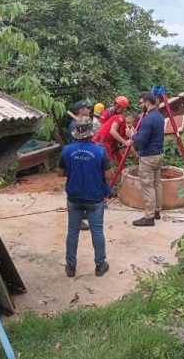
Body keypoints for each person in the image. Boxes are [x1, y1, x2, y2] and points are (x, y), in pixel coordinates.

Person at [57, 117, 113, 277]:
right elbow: (109, 175)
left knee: (73, 231)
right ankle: (100, 265)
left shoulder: (67, 150)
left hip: (74, 197)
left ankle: (70, 266)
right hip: (94, 198)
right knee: (97, 231)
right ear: (91, 133)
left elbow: (60, 173)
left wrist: (75, 170)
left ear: (77, 133)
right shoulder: (100, 151)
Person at [127, 92, 165, 227]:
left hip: (148, 157)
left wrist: (131, 135)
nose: (140, 105)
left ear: (147, 103)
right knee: (156, 184)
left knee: (148, 186)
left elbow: (142, 141)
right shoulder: (159, 117)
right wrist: (137, 134)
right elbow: (150, 136)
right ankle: (157, 211)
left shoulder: (147, 119)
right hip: (158, 155)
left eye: (141, 103)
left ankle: (149, 218)